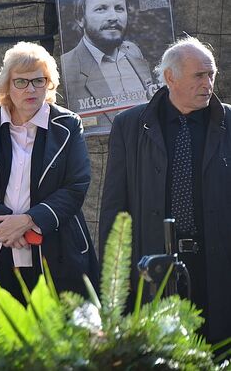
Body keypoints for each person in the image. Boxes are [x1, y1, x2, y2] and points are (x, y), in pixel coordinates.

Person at [0, 42, 98, 320]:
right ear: (7, 86)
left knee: (52, 340)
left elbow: (76, 185)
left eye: (38, 80)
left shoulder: (68, 125)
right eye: (21, 81)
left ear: (49, 84)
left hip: (54, 253)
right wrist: (5, 225)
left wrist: (29, 220)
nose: (31, 89)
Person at [100, 37, 230, 345]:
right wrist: (114, 278)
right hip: (153, 264)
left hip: (216, 264)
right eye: (199, 75)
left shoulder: (227, 121)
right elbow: (114, 206)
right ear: (170, 77)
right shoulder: (130, 125)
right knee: (159, 352)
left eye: (211, 75)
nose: (208, 84)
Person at [62, 0, 156, 130]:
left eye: (119, 8)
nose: (113, 17)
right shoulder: (66, 67)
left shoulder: (133, 51)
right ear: (81, 19)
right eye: (101, 9)